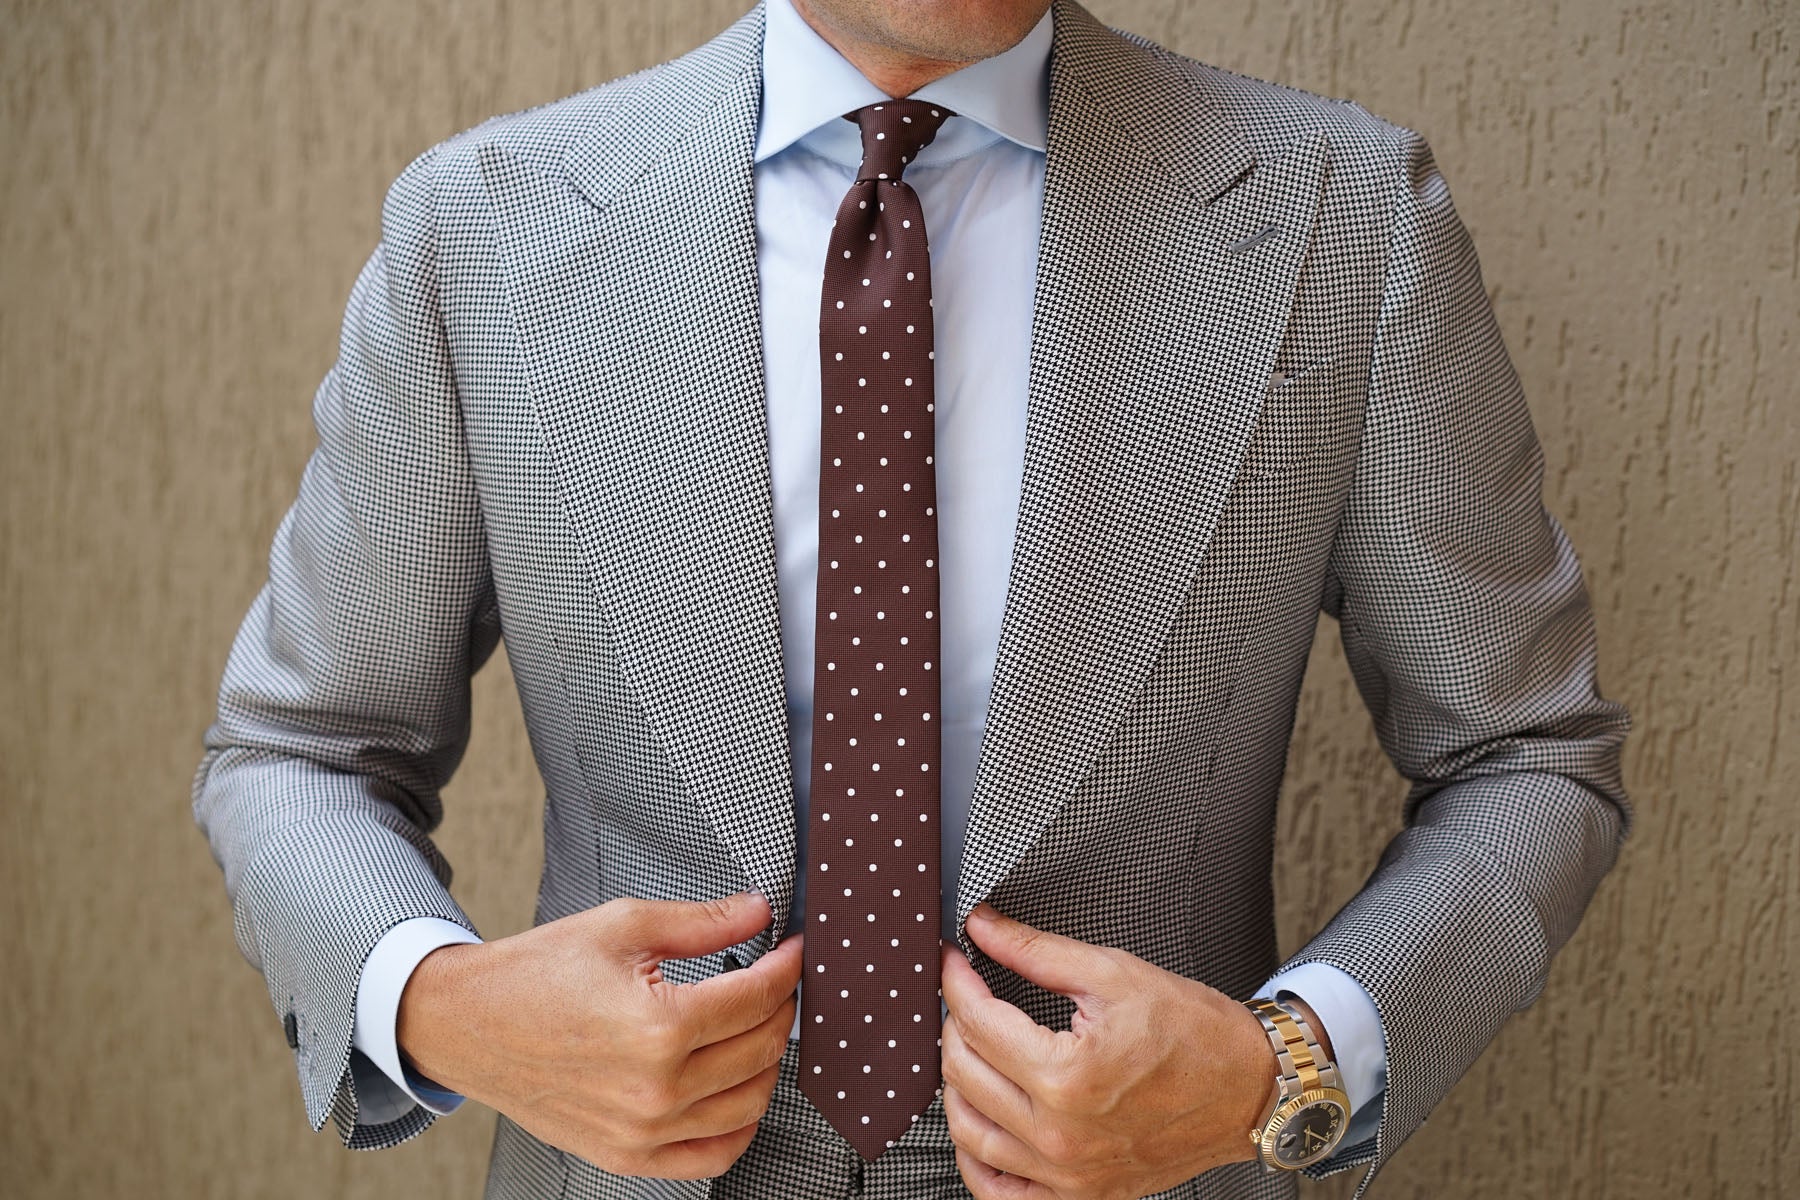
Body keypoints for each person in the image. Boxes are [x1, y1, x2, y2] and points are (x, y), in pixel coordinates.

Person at [191, 0, 1632, 1196]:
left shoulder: (1349, 225)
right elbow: (302, 752)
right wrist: (442, 1008)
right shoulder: (481, 235)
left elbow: (1526, 760)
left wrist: (1286, 1063)